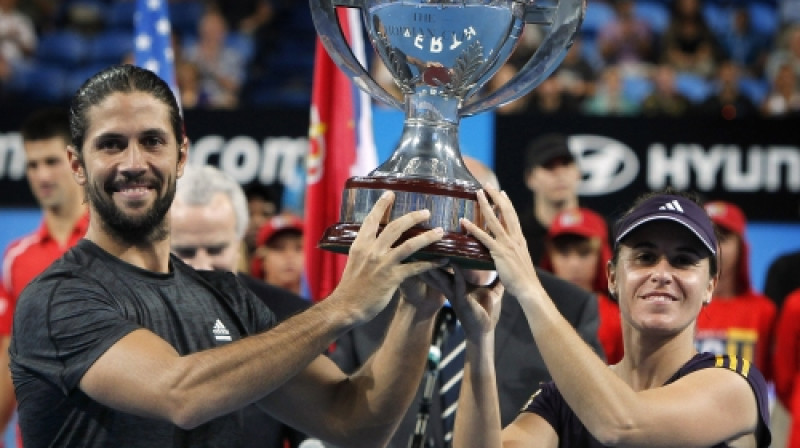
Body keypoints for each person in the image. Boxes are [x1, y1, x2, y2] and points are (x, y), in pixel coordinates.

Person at [8, 64, 448, 448]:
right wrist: (342, 307)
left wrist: (418, 308)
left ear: (181, 155)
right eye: (111, 145)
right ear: (77, 164)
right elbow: (179, 394)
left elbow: (355, 424)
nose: (133, 162)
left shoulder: (228, 299)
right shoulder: (56, 298)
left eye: (152, 141)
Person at [447, 189, 771, 448]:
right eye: (645, 257)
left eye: (683, 261)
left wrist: (529, 287)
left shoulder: (736, 384)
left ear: (709, 287)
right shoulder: (566, 399)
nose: (661, 273)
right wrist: (479, 339)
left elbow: (624, 423)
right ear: (613, 277)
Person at [329, 157, 603, 448]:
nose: (444, 225)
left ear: (494, 213)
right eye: (432, 208)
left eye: (459, 207)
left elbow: (593, 415)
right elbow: (331, 411)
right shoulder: (375, 299)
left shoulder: (564, 304)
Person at [170, 164, 310, 448]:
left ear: (239, 241)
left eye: (215, 250)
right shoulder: (128, 312)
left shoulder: (288, 315)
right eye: (185, 252)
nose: (201, 266)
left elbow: (312, 429)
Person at [0, 107, 89, 445]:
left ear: (76, 161)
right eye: (32, 165)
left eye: (52, 161)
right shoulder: (16, 258)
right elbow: (9, 356)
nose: (42, 176)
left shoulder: (116, 244)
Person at [695, 200, 776, 378]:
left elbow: (776, 380)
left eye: (722, 238)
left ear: (742, 247)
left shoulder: (763, 311)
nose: (713, 247)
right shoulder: (679, 305)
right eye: (705, 237)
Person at [540, 208, 623, 364]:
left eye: (584, 253)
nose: (574, 264)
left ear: (602, 256)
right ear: (550, 256)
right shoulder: (532, 311)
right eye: (564, 253)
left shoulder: (617, 321)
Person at [519, 133, 581, 265]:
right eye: (549, 166)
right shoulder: (516, 235)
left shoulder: (601, 230)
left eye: (566, 164)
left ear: (578, 173)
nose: (559, 174)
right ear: (530, 178)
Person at [253, 214, 305, 297]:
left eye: (299, 248)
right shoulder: (246, 305)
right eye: (279, 248)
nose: (290, 255)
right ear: (262, 259)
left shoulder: (323, 305)